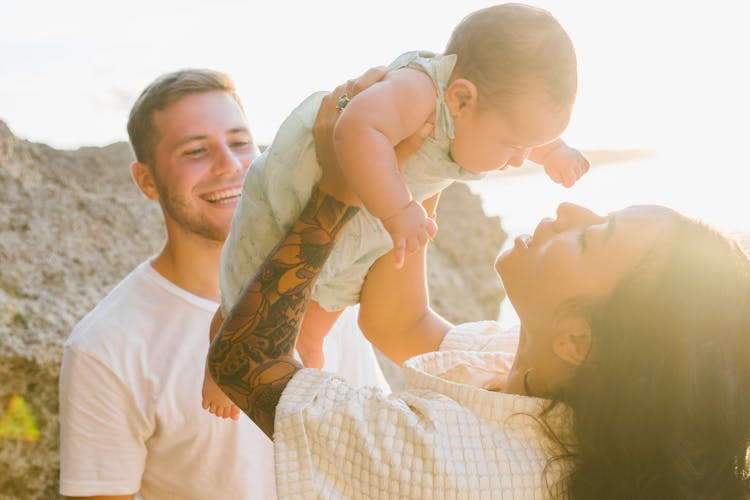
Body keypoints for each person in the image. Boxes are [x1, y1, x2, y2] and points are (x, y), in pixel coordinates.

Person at [206, 86, 750, 497]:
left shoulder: (455, 465)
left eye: (590, 239)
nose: (568, 211)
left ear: (580, 342)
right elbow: (401, 325)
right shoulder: (557, 395)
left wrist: (338, 189)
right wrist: (421, 168)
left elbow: (242, 365)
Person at [202, 3, 591, 416]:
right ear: (460, 99)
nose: (519, 158)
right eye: (514, 146)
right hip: (303, 191)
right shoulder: (418, 91)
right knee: (251, 280)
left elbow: (524, 127)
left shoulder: (487, 109)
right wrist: (400, 209)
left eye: (531, 147)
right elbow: (356, 127)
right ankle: (220, 356)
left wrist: (555, 152)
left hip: (368, 215)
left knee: (326, 299)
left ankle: (306, 354)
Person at [58, 68, 391, 499]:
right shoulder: (105, 347)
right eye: (196, 151)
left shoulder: (324, 288)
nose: (230, 166)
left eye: (239, 143)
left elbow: (376, 456)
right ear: (146, 181)